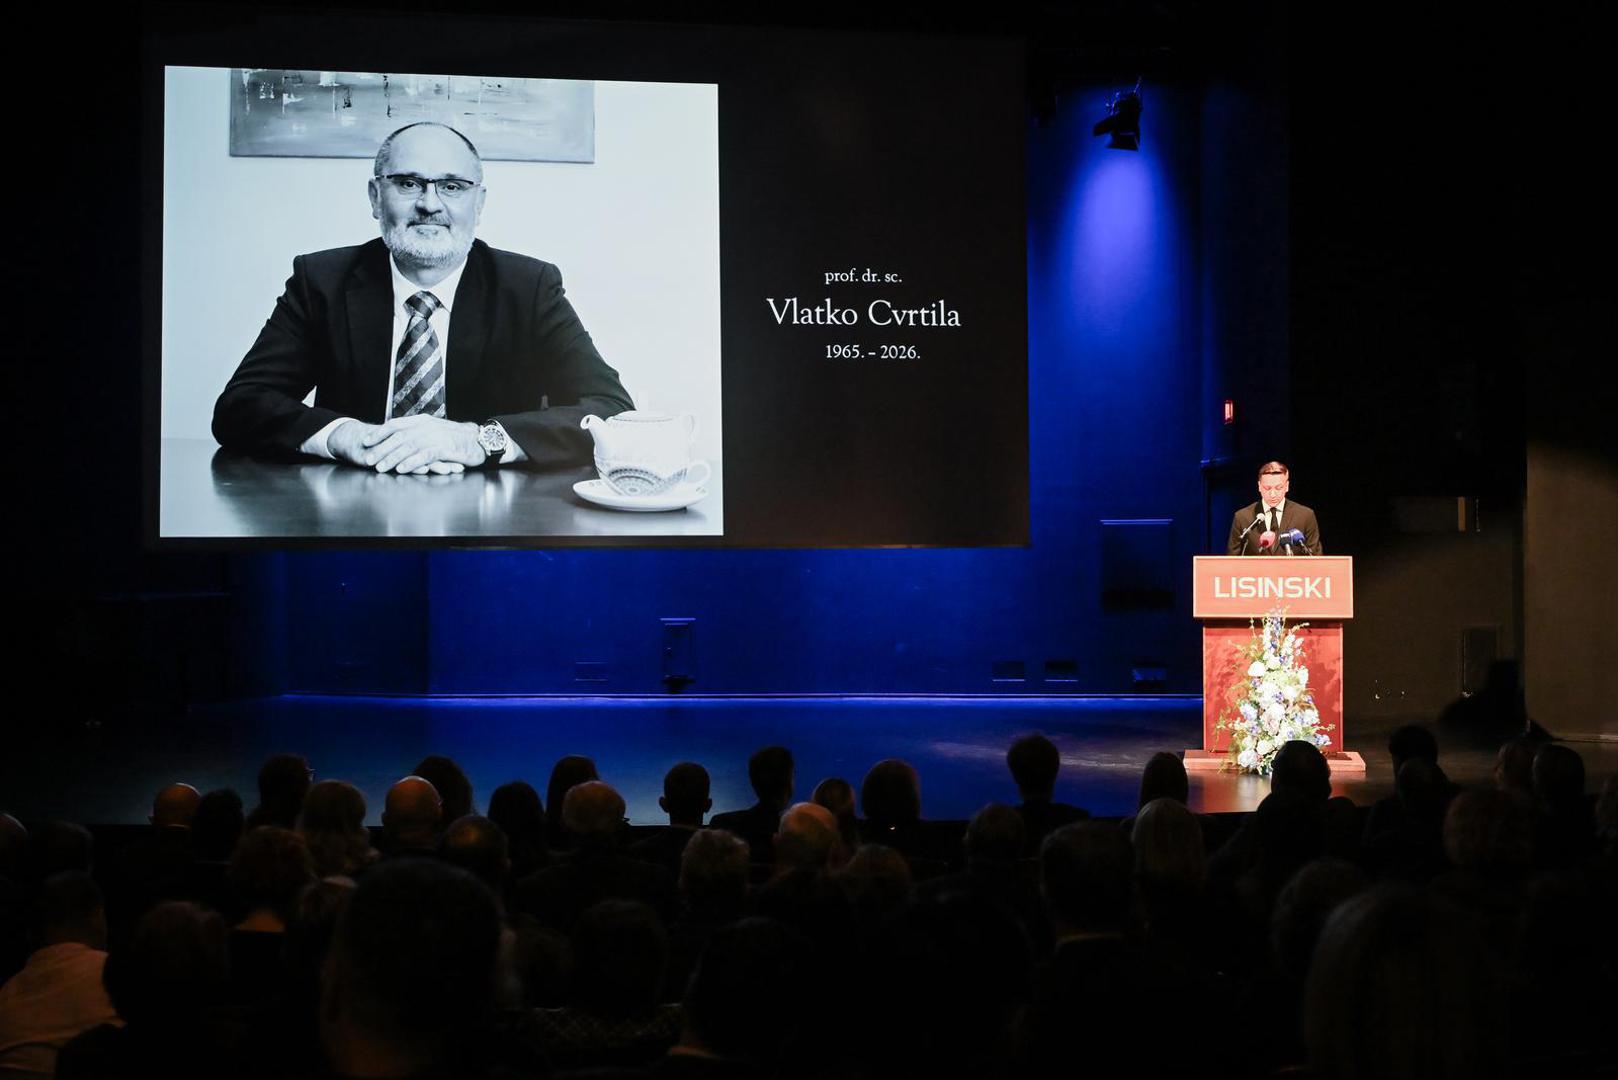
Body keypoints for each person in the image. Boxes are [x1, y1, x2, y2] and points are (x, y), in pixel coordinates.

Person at [213, 121, 633, 474]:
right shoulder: (321, 280)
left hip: (494, 518)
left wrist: (478, 439)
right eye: (408, 183)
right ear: (376, 198)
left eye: (452, 186)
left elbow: (612, 411)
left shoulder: (527, 286)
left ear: (478, 203)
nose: (429, 204)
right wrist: (343, 435)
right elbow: (241, 406)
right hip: (353, 511)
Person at [1228, 460, 1323, 555]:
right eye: (1267, 488)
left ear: (1287, 486)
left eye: (1278, 488)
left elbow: (1315, 559)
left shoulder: (1305, 516)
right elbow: (1232, 560)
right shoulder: (1242, 517)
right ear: (1259, 486)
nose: (1273, 494)